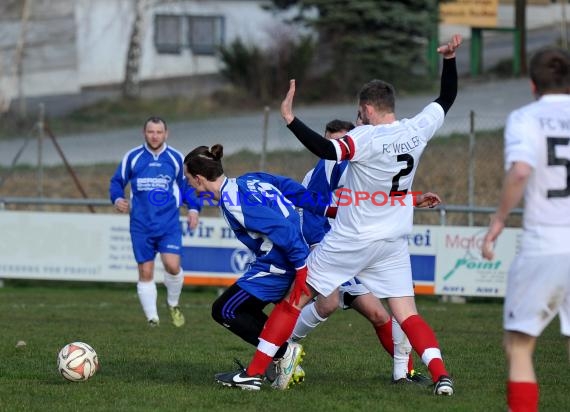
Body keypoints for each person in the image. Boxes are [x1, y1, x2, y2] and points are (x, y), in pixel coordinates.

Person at [214, 34, 462, 395]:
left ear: (368, 110)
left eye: (360, 113)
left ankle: (254, 373)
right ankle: (442, 377)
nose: (358, 118)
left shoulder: (365, 137)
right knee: (407, 313)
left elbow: (324, 148)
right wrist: (450, 61)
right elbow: (446, 97)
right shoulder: (416, 129)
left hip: (353, 238)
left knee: (295, 298)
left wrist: (290, 119)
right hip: (392, 240)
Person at [292, 119, 439, 385]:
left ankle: (404, 374)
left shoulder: (368, 159)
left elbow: (384, 197)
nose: (335, 147)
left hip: (364, 247)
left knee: (382, 313)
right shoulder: (326, 166)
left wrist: (413, 198)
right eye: (330, 142)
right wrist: (319, 246)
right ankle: (281, 347)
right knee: (327, 303)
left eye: (340, 141)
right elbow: (312, 212)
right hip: (337, 248)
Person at [183, 144, 332, 390]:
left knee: (225, 310)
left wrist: (301, 268)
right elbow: (289, 187)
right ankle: (278, 357)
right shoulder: (251, 179)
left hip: (279, 264)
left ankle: (283, 355)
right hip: (284, 260)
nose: (188, 184)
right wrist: (326, 208)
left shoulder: (233, 201)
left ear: (199, 179)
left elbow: (281, 229)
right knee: (243, 310)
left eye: (188, 178)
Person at [481, 47, 570, 412]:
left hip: (545, 242)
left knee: (520, 345)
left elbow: (520, 170)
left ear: (533, 84)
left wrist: (499, 219)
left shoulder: (525, 117)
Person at [109, 116, 201, 327]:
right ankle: (153, 318)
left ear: (166, 134)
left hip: (168, 224)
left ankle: (173, 303)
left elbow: (187, 187)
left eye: (159, 132)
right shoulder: (133, 157)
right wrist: (117, 198)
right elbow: (117, 182)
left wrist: (194, 208)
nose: (155, 135)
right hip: (140, 225)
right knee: (145, 271)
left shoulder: (176, 158)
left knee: (172, 265)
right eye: (151, 131)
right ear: (144, 133)